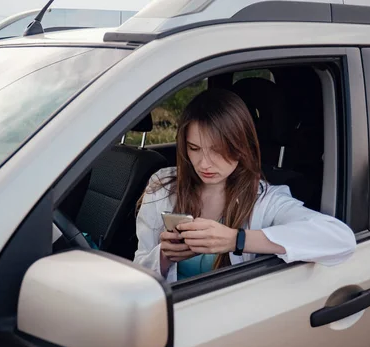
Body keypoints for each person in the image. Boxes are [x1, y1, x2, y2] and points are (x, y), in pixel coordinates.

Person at [134, 89, 356, 283]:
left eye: (217, 150)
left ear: (241, 146)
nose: (204, 163)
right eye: (194, 148)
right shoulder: (163, 186)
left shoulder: (264, 199)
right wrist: (163, 257)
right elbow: (138, 270)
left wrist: (236, 240)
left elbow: (340, 239)